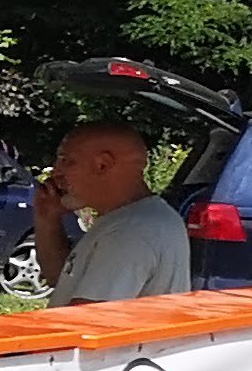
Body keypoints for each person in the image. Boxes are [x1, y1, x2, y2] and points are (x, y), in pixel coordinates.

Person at [35, 120, 193, 306]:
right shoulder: (133, 219)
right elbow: (59, 277)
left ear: (103, 164)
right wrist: (48, 218)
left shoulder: (129, 232)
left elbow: (88, 317)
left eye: (67, 161)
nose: (55, 173)